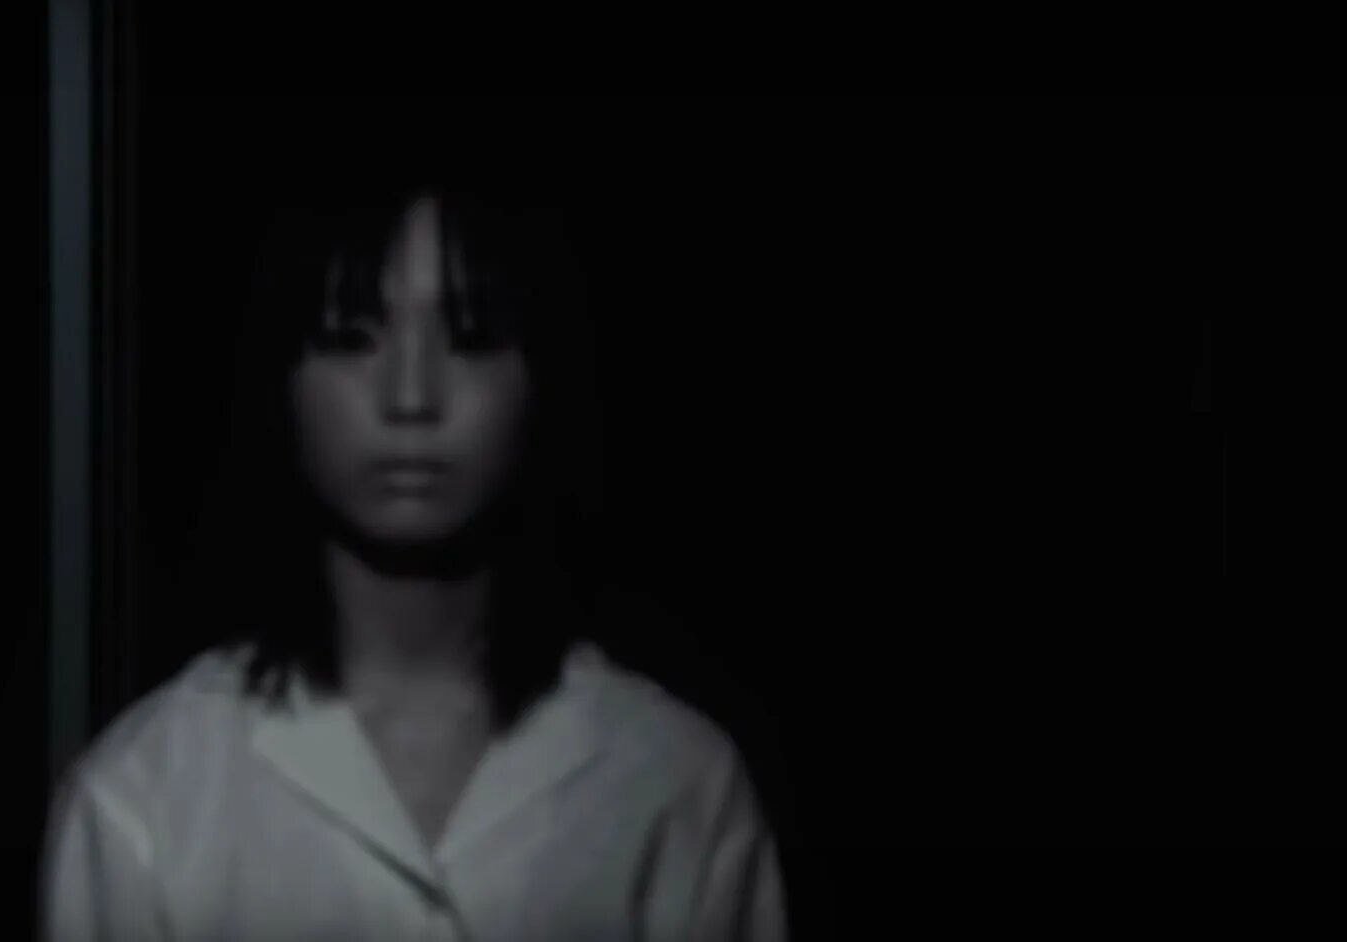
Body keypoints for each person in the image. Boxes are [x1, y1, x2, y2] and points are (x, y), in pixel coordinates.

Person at [41, 180, 788, 941]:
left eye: (471, 337)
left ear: (542, 374)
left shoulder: (676, 785)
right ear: (280, 378)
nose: (410, 397)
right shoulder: (144, 798)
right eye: (350, 337)